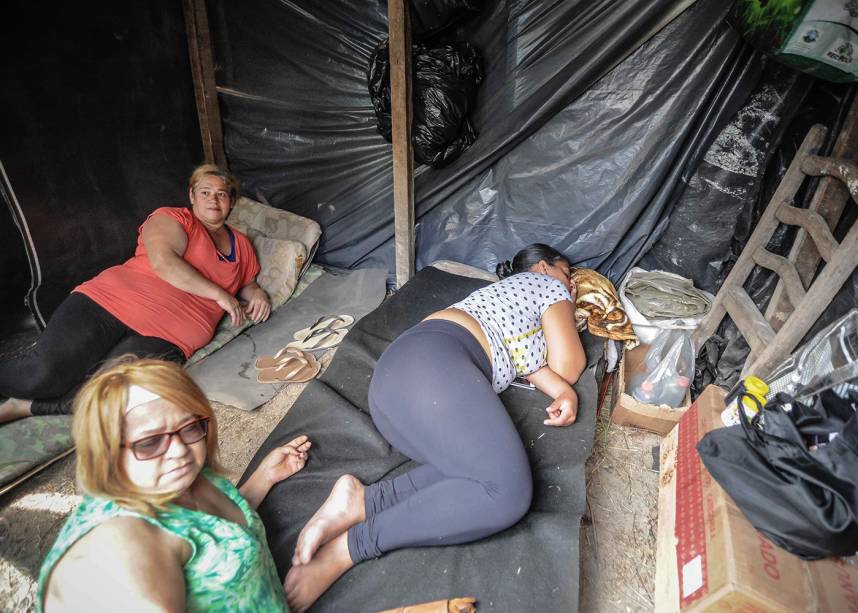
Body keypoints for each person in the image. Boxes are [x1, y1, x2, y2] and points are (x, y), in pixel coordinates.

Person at [282, 243, 587, 611]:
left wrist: (561, 391)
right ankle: (350, 548)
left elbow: (528, 362)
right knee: (506, 492)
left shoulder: (509, 302)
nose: (572, 284)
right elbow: (569, 362)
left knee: (474, 473)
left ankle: (363, 501)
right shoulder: (546, 285)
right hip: (432, 370)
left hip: (400, 389)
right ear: (543, 267)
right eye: (568, 273)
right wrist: (568, 303)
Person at [0, 164, 271, 423]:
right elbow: (164, 262)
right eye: (205, 192)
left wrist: (257, 293)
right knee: (39, 375)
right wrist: (220, 295)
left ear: (232, 201)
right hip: (112, 302)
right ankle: (27, 389)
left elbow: (245, 281)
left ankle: (25, 406)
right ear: (192, 195)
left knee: (115, 393)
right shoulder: (175, 218)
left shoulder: (242, 245)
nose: (214, 199)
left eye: (222, 194)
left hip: (171, 336)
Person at [37, 358, 310, 611]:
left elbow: (211, 534)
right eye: (149, 442)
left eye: (189, 427)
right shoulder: (121, 539)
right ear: (106, 453)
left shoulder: (175, 478)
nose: (179, 450)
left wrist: (263, 478)